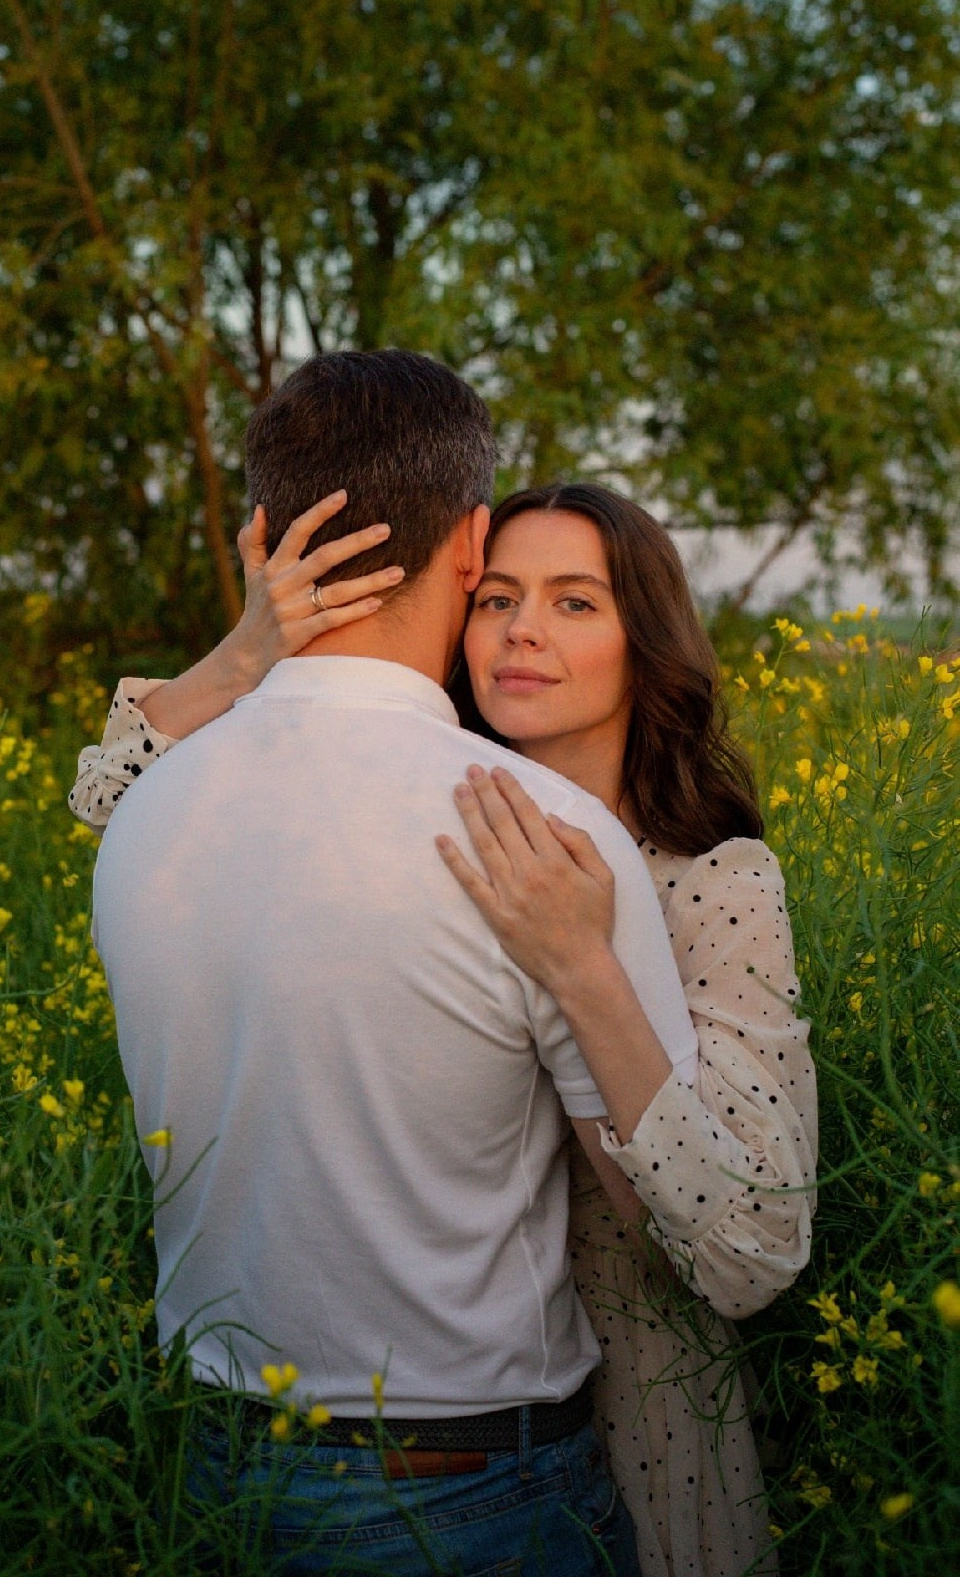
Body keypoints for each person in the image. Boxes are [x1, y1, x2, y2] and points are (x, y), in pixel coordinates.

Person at [75, 469, 816, 1577]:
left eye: (575, 601)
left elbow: (756, 1246)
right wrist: (251, 650)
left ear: (644, 640)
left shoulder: (714, 883)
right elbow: (111, 798)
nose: (522, 632)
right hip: (436, 1448)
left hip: (636, 1429)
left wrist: (582, 964)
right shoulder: (419, 828)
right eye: (495, 597)